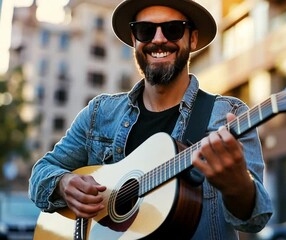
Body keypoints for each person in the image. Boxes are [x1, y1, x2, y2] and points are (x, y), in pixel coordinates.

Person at [29, 0, 273, 239]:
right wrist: (64, 183)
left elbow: (255, 221)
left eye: (173, 29)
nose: (158, 39)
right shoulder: (99, 113)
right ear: (134, 40)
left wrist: (238, 185)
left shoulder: (228, 117)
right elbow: (40, 173)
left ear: (193, 38)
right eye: (145, 30)